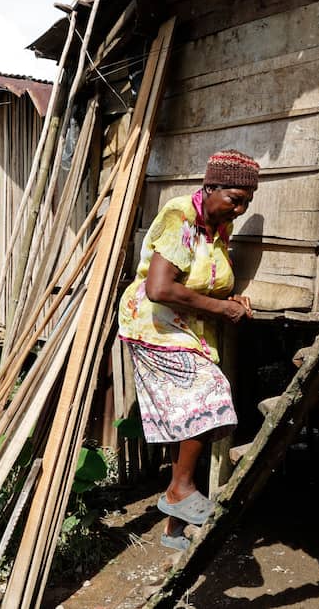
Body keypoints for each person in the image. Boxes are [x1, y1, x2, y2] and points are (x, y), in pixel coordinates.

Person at [117, 149, 257, 550]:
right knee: (208, 397)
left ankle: (174, 525)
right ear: (210, 187)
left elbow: (209, 281)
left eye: (247, 202)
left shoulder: (219, 228)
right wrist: (221, 308)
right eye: (234, 198)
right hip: (153, 323)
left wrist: (237, 299)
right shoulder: (182, 215)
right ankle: (180, 490)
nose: (240, 208)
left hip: (187, 328)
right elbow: (159, 288)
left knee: (191, 420)